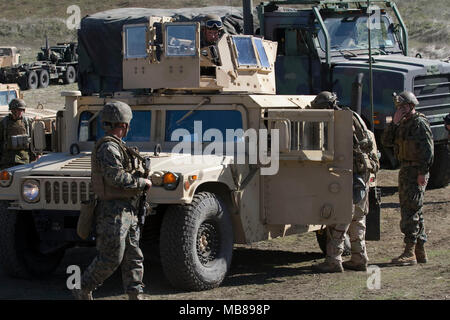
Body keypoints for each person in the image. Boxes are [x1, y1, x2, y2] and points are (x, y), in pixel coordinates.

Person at [72, 101, 152, 300]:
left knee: (133, 255)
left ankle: (135, 294)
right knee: (111, 256)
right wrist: (141, 182)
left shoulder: (118, 146)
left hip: (127, 208)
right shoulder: (109, 147)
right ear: (123, 124)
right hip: (113, 211)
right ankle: (82, 288)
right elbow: (114, 177)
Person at [310, 91, 380, 272]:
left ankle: (333, 259)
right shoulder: (353, 116)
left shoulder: (337, 122)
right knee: (358, 217)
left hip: (347, 175)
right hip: (362, 173)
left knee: (339, 217)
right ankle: (359, 257)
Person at [381, 91, 434, 266]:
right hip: (405, 169)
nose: (401, 109)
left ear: (411, 106)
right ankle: (420, 251)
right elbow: (386, 141)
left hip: (415, 170)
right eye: (399, 107)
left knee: (411, 210)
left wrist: (422, 172)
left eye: (404, 106)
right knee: (413, 209)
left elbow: (428, 151)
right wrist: (394, 123)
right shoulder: (402, 124)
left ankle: (409, 252)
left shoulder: (419, 123)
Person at [0, 98, 35, 170]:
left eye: (21, 110)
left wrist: (36, 156)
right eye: (17, 110)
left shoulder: (27, 122)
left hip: (24, 160)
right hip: (7, 160)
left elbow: (33, 140)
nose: (19, 112)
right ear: (12, 110)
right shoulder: (4, 123)